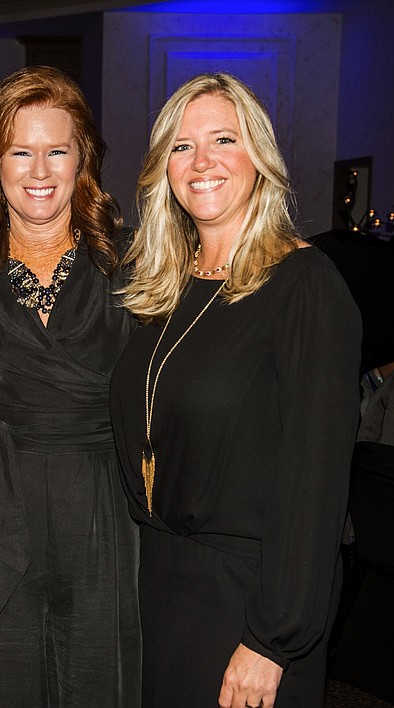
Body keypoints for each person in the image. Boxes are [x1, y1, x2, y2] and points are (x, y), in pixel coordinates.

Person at [109, 73, 361, 708]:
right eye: (181, 145)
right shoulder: (161, 287)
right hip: (162, 588)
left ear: (261, 158)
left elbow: (315, 483)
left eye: (224, 139)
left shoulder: (305, 287)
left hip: (246, 605)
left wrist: (272, 639)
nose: (202, 162)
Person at [0, 66, 141, 706]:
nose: (39, 170)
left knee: (97, 678)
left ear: (84, 158)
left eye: (57, 150)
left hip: (103, 504)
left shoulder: (135, 261)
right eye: (19, 152)